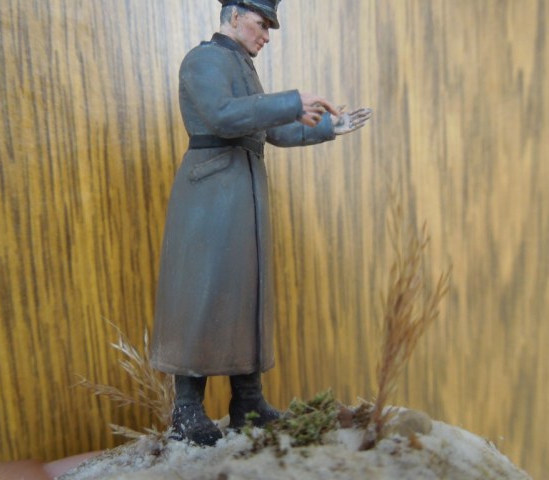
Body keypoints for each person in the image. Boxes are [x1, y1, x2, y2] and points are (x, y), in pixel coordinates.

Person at [150, 0, 372, 446]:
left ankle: (248, 402)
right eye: (261, 24)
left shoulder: (243, 67)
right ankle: (187, 410)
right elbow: (222, 115)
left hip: (243, 193)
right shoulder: (204, 60)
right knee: (201, 294)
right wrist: (290, 102)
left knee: (246, 294)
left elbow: (271, 131)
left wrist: (329, 127)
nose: (266, 36)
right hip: (210, 195)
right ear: (234, 17)